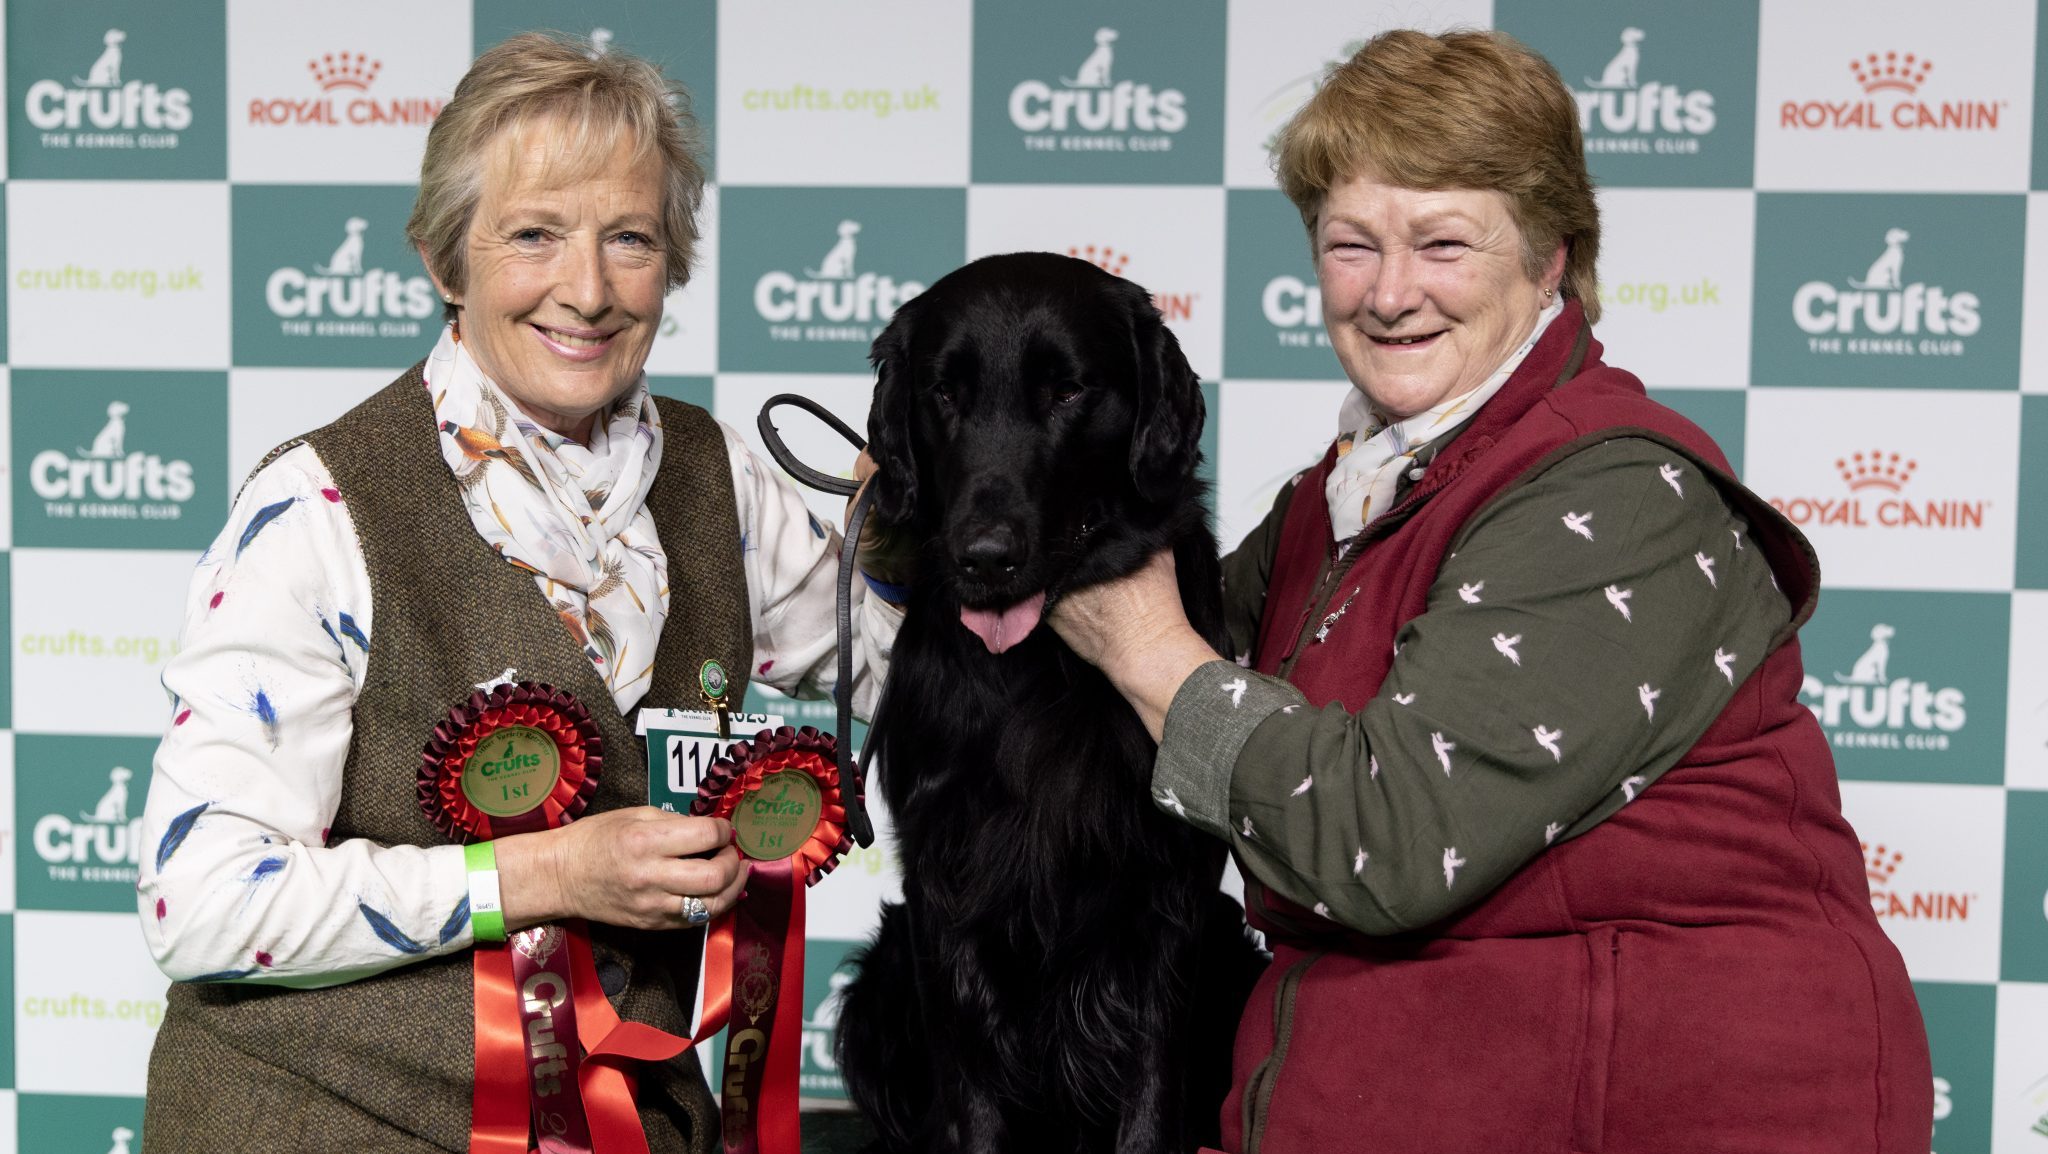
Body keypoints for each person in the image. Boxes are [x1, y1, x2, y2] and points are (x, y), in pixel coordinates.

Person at [1050, 29, 1932, 1154]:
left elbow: (1384, 839)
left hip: (1666, 1112)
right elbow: (1090, 689)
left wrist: (1146, 647)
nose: (1388, 292)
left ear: (1550, 256)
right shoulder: (1345, 490)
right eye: (1350, 244)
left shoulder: (1615, 492)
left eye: (1443, 242)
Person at [137, 33, 898, 1154]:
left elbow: (902, 655)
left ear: (673, 262)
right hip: (329, 1116)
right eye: (534, 234)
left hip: (625, 1117)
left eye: (628, 239)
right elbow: (201, 899)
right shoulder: (317, 508)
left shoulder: (717, 476)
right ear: (450, 260)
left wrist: (961, 519)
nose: (586, 291)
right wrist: (543, 871)